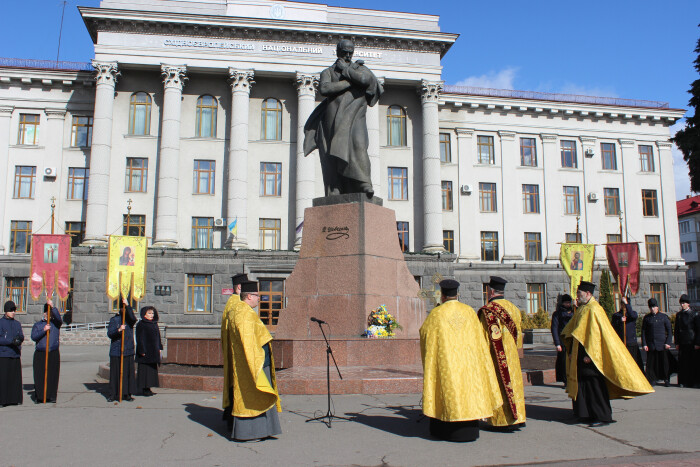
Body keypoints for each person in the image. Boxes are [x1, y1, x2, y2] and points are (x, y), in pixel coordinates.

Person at [420, 279, 502, 442]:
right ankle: (470, 429)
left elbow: (425, 334)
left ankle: (446, 430)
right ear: (457, 294)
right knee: (468, 393)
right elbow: (480, 338)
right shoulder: (469, 311)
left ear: (442, 296)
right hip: (469, 364)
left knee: (450, 394)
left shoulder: (437, 314)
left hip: (447, 364)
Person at [562, 281, 653, 427]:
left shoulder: (594, 309)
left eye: (580, 294)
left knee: (595, 385)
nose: (577, 297)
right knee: (583, 384)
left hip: (592, 355)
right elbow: (575, 331)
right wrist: (572, 350)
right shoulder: (583, 308)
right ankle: (585, 414)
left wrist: (590, 355)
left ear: (588, 294)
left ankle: (603, 416)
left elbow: (596, 335)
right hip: (580, 353)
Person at [304, 39, 383, 196]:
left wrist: (346, 71)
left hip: (355, 116)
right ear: (338, 52)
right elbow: (325, 88)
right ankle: (336, 189)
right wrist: (349, 83)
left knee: (360, 146)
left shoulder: (359, 68)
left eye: (350, 53)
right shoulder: (328, 72)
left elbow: (366, 80)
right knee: (333, 154)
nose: (348, 56)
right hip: (333, 118)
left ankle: (364, 183)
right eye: (345, 52)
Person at [228, 281, 282, 441]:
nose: (260, 299)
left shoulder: (241, 310)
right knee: (255, 396)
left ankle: (264, 430)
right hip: (254, 362)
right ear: (249, 296)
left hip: (256, 360)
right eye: (258, 296)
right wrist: (256, 362)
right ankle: (250, 432)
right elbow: (248, 341)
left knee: (261, 395)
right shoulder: (244, 313)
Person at [478, 276, 526, 431]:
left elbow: (483, 338)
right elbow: (518, 335)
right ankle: (518, 416)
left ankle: (502, 420)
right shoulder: (514, 309)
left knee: (499, 385)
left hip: (496, 357)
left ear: (490, 291)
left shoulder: (488, 311)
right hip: (512, 357)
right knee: (515, 386)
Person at [221, 273, 248, 429]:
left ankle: (230, 415)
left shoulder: (231, 302)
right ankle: (234, 421)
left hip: (232, 350)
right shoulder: (237, 303)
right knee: (236, 385)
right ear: (239, 287)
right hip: (237, 351)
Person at [31, 299, 62, 403]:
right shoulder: (38, 325)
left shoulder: (55, 324)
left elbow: (59, 318)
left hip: (52, 352)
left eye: (51, 313)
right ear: (44, 313)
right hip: (41, 352)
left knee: (52, 375)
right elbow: (34, 336)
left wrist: (53, 307)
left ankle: (51, 396)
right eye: (48, 312)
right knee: (40, 376)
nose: (49, 315)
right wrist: (43, 330)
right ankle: (40, 396)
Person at [107, 297, 137, 402]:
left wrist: (128, 305)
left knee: (128, 374)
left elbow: (133, 318)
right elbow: (110, 334)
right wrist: (119, 330)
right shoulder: (114, 320)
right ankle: (113, 394)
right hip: (117, 351)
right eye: (123, 308)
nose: (125, 311)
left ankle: (127, 394)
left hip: (128, 350)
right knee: (115, 374)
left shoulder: (130, 321)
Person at [641, 298, 674, 386]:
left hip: (662, 345)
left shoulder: (663, 317)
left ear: (657, 307)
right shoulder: (647, 318)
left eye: (654, 307)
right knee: (651, 364)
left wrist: (668, 343)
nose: (652, 309)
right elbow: (643, 332)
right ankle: (652, 379)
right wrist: (644, 344)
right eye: (651, 307)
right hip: (651, 344)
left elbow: (669, 331)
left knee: (664, 364)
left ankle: (666, 379)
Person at [0, 301, 24, 406]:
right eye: (11, 310)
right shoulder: (1, 323)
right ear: (6, 311)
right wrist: (10, 341)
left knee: (15, 378)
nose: (13, 312)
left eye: (14, 310)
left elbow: (21, 335)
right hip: (4, 354)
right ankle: (3, 400)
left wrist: (19, 339)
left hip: (15, 353)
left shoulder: (17, 323)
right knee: (4, 378)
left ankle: (15, 399)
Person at [610, 296, 644, 370]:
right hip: (621, 343)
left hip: (631, 343)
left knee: (634, 364)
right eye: (622, 304)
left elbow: (632, 315)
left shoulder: (632, 314)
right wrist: (620, 321)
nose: (624, 306)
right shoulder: (616, 316)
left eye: (625, 304)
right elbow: (612, 327)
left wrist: (626, 303)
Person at [136, 306, 162, 396]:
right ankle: (144, 388)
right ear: (144, 314)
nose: (151, 315)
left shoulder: (154, 323)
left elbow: (158, 337)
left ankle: (149, 387)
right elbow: (139, 338)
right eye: (149, 313)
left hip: (153, 351)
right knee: (145, 371)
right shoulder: (141, 324)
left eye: (152, 313)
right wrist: (141, 350)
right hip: (145, 351)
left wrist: (159, 348)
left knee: (151, 371)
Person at [674, 294, 697, 388]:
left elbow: (697, 329)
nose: (682, 305)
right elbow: (676, 329)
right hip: (682, 342)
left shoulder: (694, 314)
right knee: (682, 363)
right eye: (681, 303)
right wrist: (677, 342)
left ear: (688, 304)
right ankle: (682, 381)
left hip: (691, 342)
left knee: (692, 363)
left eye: (684, 303)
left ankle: (692, 381)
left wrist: (697, 343)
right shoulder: (679, 315)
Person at [551, 294, 574, 386]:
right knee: (564, 361)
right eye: (566, 303)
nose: (567, 304)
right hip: (563, 340)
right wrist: (557, 343)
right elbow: (554, 328)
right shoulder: (557, 314)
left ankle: (573, 379)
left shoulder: (574, 312)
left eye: (569, 302)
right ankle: (566, 380)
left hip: (572, 340)